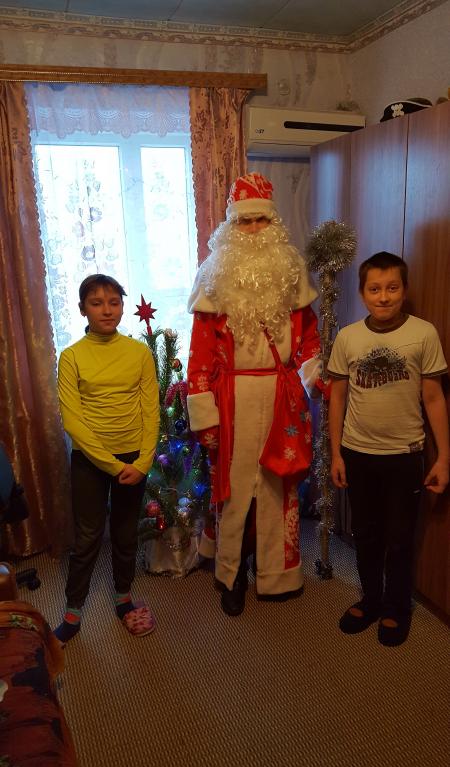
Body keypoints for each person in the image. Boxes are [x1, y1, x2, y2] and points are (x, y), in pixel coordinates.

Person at [187, 172, 323, 615]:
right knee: (235, 490)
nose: (252, 230)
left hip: (281, 396)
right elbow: (200, 355)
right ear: (231, 226)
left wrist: (317, 381)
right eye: (244, 222)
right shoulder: (213, 277)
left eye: (260, 220)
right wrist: (205, 414)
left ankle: (277, 572)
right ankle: (233, 572)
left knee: (278, 485)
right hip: (232, 400)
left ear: (273, 223)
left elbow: (308, 340)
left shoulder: (291, 272)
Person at [328, 251, 449, 646]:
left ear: (404, 290)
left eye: (392, 288)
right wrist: (336, 453)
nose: (383, 297)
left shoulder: (423, 333)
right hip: (357, 453)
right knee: (366, 534)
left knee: (399, 538)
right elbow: (337, 398)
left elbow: (433, 397)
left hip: (405, 455)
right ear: (363, 293)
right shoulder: (348, 337)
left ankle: (397, 607)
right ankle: (371, 599)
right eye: (375, 289)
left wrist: (444, 457)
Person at [54, 274, 160, 643]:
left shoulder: (139, 353)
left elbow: (151, 410)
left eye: (114, 302)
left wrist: (143, 462)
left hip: (134, 459)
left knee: (126, 532)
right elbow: (73, 421)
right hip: (90, 460)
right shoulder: (71, 357)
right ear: (82, 308)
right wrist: (114, 467)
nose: (107, 310)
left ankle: (123, 597)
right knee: (87, 537)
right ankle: (73, 610)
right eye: (97, 303)